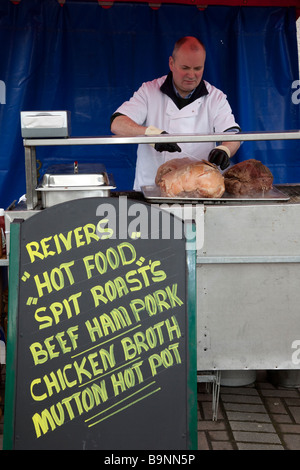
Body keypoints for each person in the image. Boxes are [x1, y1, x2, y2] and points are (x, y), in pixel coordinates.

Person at [110, 36, 241, 191]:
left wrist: (225, 150)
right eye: (185, 68)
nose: (191, 75)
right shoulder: (149, 91)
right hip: (152, 190)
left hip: (200, 192)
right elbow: (117, 123)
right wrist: (152, 134)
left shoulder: (216, 98)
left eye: (197, 68)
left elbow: (233, 134)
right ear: (171, 63)